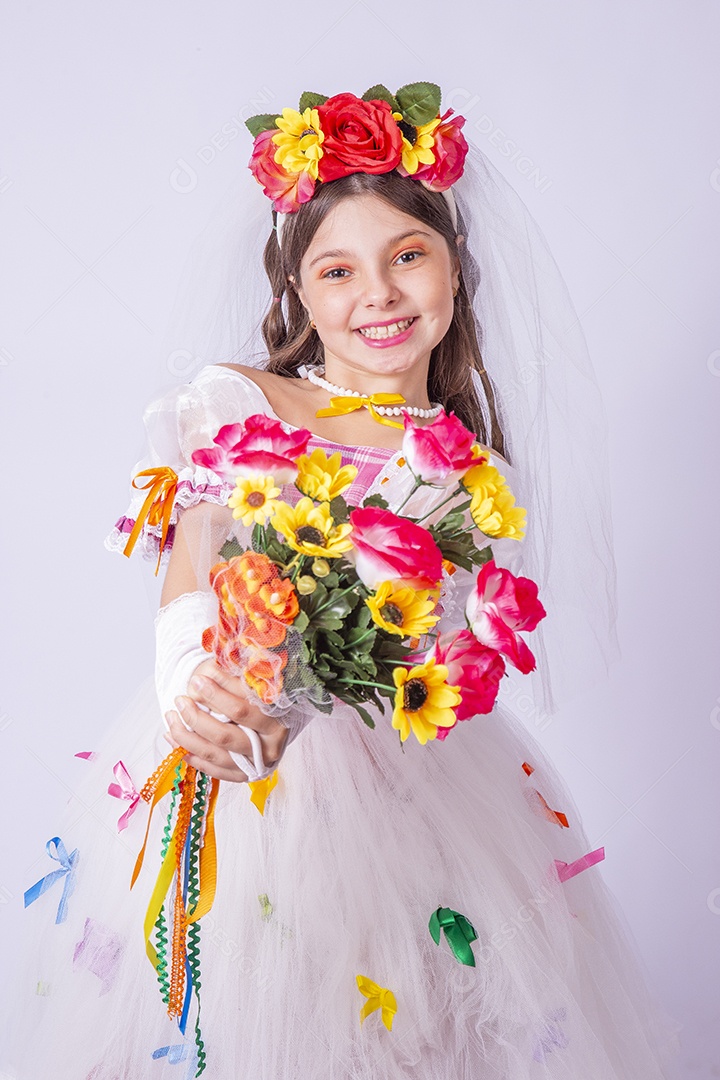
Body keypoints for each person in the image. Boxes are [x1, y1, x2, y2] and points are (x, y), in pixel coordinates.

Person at [2, 84, 682, 1078]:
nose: (379, 294)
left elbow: (428, 643)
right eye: (339, 270)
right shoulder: (243, 402)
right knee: (247, 1013)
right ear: (301, 293)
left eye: (408, 255)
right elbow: (193, 558)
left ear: (456, 271)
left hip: (416, 794)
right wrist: (196, 687)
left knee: (408, 1027)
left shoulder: (464, 473)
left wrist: (309, 693)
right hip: (227, 748)